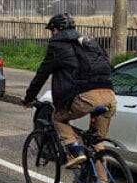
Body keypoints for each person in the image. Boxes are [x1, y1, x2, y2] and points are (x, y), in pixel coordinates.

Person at [22, 13, 116, 170]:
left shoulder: (57, 46)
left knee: (58, 118)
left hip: (86, 97)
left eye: (52, 30)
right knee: (97, 143)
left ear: (57, 29)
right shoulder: (89, 42)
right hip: (109, 95)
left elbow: (42, 74)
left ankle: (75, 150)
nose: (51, 34)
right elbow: (107, 65)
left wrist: (28, 98)